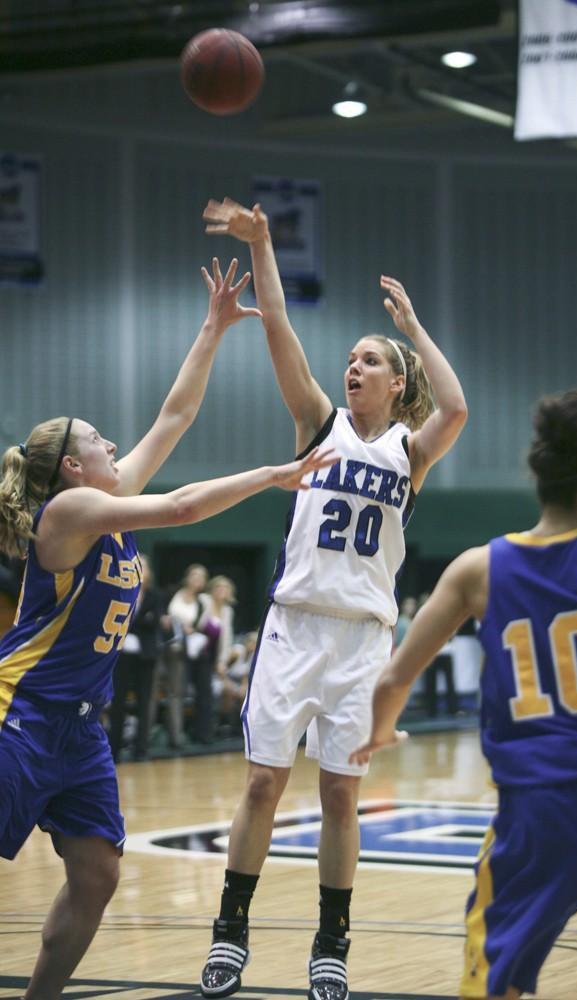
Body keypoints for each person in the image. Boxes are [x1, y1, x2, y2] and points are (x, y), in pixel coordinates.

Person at [0, 254, 337, 1000]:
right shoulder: (70, 513)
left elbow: (175, 416)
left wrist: (211, 329)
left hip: (80, 730)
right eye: (98, 441)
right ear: (71, 468)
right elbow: (183, 508)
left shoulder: (104, 498)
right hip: (17, 716)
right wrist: (274, 474)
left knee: (97, 874)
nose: (114, 446)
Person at [199, 196, 468, 1000]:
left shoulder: (408, 453)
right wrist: (263, 244)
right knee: (260, 785)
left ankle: (331, 943)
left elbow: (455, 407)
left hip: (362, 643)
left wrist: (414, 327)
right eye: (349, 358)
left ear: (395, 383)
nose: (352, 367)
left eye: (368, 360)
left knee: (340, 796)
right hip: (294, 629)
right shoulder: (319, 425)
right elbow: (277, 324)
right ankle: (229, 934)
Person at [351, 386, 577, 999]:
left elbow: (393, 678)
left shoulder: (477, 568)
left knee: (493, 976)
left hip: (535, 809)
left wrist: (379, 732)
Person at [107, 552, 164, 762]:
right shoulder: (120, 590)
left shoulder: (155, 595)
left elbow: (153, 621)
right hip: (121, 656)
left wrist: (136, 622)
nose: (141, 569)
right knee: (118, 701)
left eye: (144, 566)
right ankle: (114, 748)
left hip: (145, 656)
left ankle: (141, 749)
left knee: (144, 702)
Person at [167, 563, 213, 745]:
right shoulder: (173, 593)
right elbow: (162, 613)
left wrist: (191, 630)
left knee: (180, 692)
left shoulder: (203, 602)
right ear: (187, 576)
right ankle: (172, 735)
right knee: (173, 692)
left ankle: (178, 737)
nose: (197, 580)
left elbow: (202, 626)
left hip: (186, 651)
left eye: (201, 577)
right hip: (166, 647)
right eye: (194, 575)